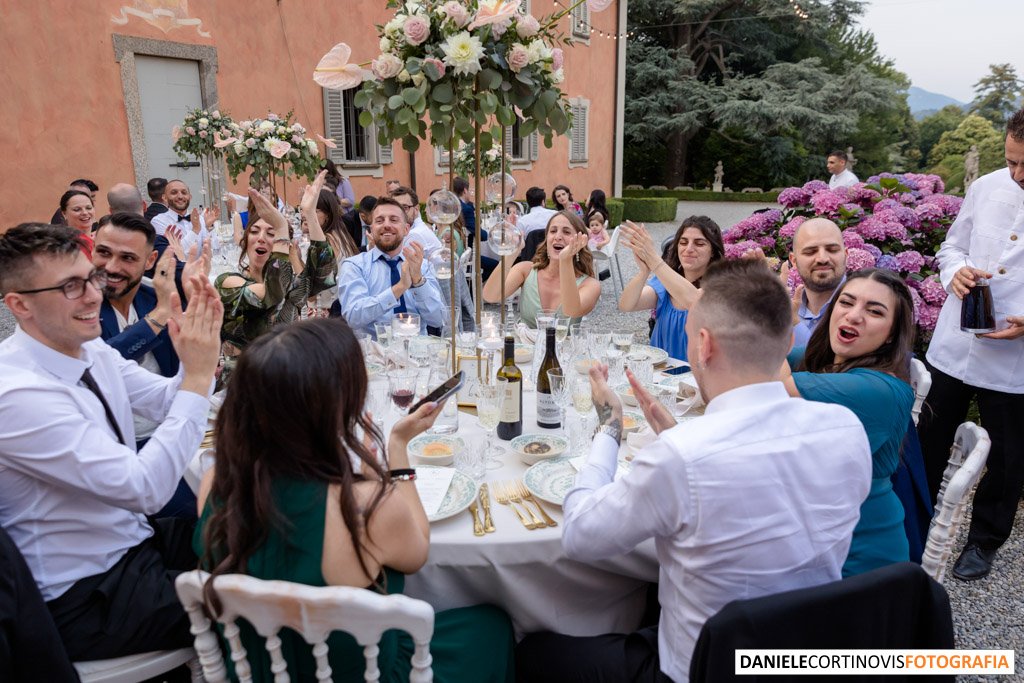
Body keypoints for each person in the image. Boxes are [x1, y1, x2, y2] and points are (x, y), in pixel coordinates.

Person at [516, 260, 871, 682]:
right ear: (789, 338)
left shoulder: (684, 456)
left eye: (687, 340)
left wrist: (609, 427)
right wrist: (674, 435)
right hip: (801, 658)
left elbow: (580, 535)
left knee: (532, 651)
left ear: (703, 345)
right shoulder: (845, 428)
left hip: (699, 670)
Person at [194, 318, 514, 682]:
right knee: (492, 626)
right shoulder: (363, 507)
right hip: (366, 673)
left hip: (257, 672)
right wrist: (397, 450)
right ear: (329, 409)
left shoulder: (213, 486)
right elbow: (418, 549)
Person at [0, 222, 223, 660]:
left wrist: (197, 354)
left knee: (267, 538)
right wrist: (196, 377)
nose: (93, 296)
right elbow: (146, 490)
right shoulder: (16, 394)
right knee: (263, 602)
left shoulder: (87, 348)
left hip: (134, 543)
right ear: (19, 305)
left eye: (91, 278)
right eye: (70, 287)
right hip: (83, 597)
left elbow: (163, 402)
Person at [918, 109, 1024, 581]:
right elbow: (951, 248)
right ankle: (915, 522)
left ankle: (984, 541)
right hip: (955, 344)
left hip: (1015, 362)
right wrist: (952, 272)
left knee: (1006, 458)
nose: (1018, 175)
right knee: (928, 440)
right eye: (1012, 161)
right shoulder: (985, 187)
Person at [780, 268, 915, 577]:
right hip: (812, 529)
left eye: (874, 311)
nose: (854, 316)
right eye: (846, 302)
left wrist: (776, 324)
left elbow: (762, 375)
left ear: (892, 333)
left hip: (856, 558)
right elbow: (740, 365)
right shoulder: (825, 361)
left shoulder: (879, 389)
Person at [216, 182, 338, 353]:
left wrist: (310, 214)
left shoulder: (289, 283)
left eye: (271, 234)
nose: (261, 238)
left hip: (287, 371)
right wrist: (280, 227)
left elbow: (327, 276)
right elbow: (271, 294)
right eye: (254, 231)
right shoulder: (227, 282)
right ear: (246, 240)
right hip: (245, 374)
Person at [618, 216, 723, 362]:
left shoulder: (720, 285)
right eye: (683, 242)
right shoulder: (664, 283)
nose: (689, 249)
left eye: (699, 244)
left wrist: (653, 258)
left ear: (713, 251)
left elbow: (693, 301)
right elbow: (626, 305)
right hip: (661, 373)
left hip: (695, 378)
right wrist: (644, 272)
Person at [338, 196, 445, 337]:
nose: (386, 225)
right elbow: (353, 317)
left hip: (417, 353)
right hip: (374, 353)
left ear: (406, 229)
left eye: (394, 220)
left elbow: (438, 320)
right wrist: (398, 288)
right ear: (371, 229)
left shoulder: (422, 266)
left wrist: (418, 281)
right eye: (379, 220)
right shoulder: (354, 266)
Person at [482, 211, 599, 328]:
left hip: (565, 346)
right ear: (546, 238)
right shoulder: (526, 270)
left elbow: (571, 311)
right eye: (553, 231)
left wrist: (565, 260)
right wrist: (514, 249)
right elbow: (490, 296)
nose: (558, 237)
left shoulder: (590, 285)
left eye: (566, 232)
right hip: (524, 346)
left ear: (580, 241)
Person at [787, 217, 848, 347]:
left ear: (846, 255)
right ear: (793, 260)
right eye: (810, 252)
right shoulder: (784, 311)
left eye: (832, 250)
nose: (822, 259)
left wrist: (794, 324)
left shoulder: (865, 308)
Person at [151, 179, 218, 254]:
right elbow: (172, 254)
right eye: (174, 192)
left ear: (190, 197)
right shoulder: (158, 221)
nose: (180, 196)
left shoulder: (199, 219)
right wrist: (195, 230)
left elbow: (214, 250)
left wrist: (209, 227)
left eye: (184, 192)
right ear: (165, 198)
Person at [390, 186, 443, 259]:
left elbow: (403, 267)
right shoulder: (415, 230)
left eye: (405, 207)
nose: (399, 213)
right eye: (395, 208)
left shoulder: (415, 234)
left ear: (416, 209)